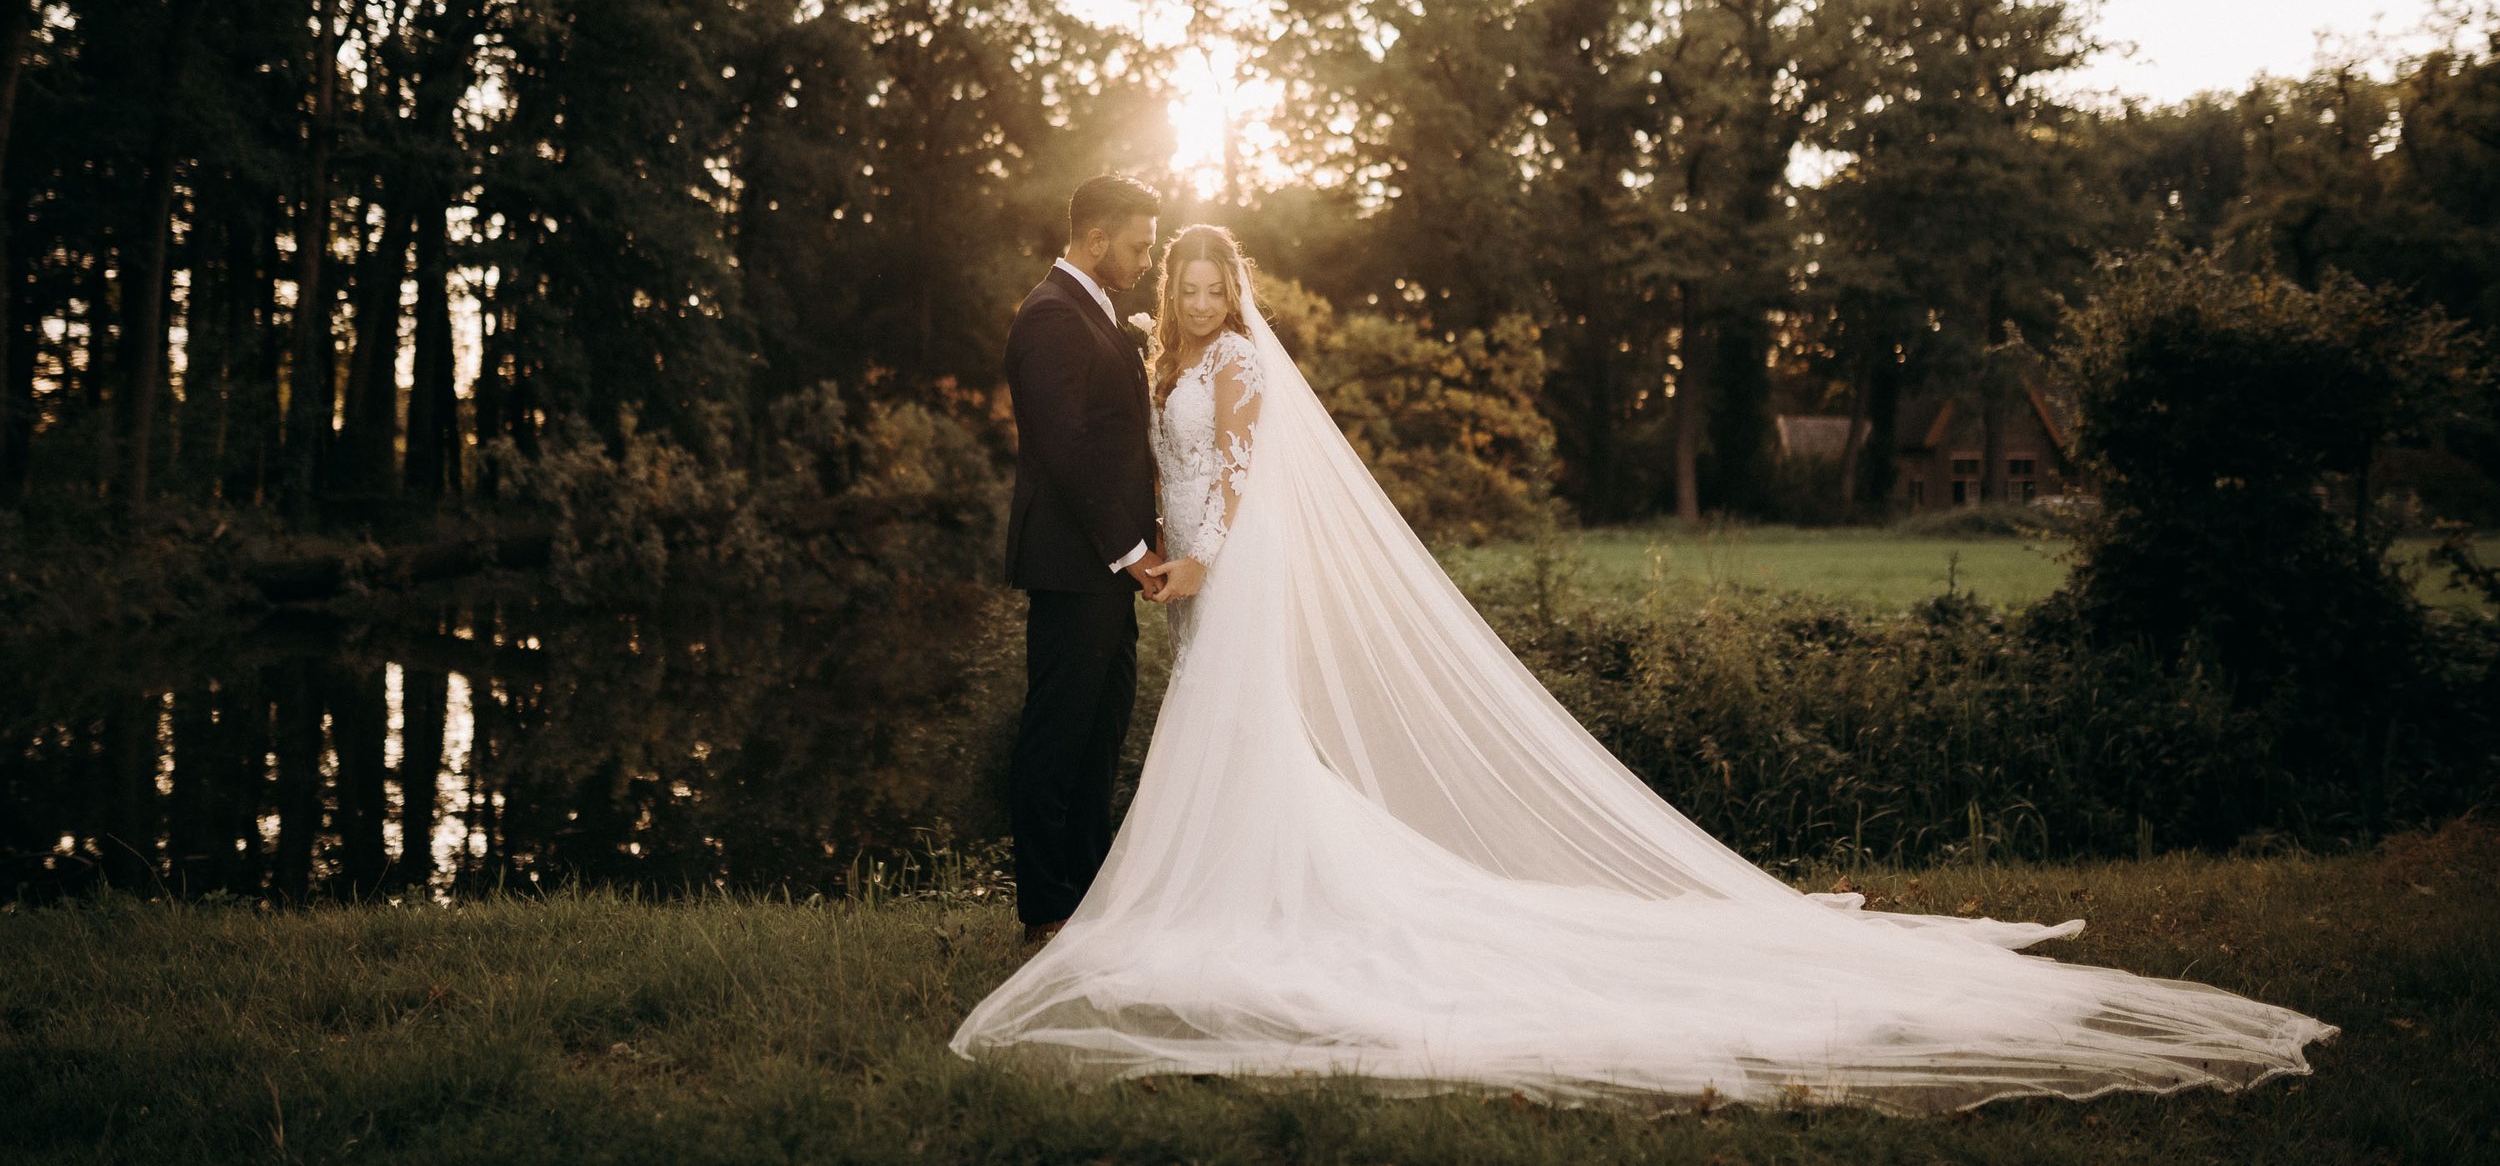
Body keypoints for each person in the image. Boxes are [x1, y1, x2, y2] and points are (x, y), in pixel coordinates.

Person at [956, 223, 2338, 1113]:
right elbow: (1128, 450)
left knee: (1230, 734)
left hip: (1223, 575)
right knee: (1214, 738)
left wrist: (1197, 560)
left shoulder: (1242, 366)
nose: (1196, 291)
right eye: (1184, 279)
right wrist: (1160, 547)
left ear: (1232, 286)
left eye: (1212, 277)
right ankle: (1204, 884)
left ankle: (1227, 893)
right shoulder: (1146, 351)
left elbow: (1250, 489)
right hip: (1176, 570)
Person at [999, 173, 1164, 946]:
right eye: (1137, 245)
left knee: (1101, 731)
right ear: (1096, 239)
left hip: (1106, 566)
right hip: (1075, 565)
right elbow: (1064, 451)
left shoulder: (1094, 310)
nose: (1145, 261)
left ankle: (1090, 894)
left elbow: (1116, 442)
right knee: (1058, 734)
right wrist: (1130, 551)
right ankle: (1045, 908)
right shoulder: (1051, 317)